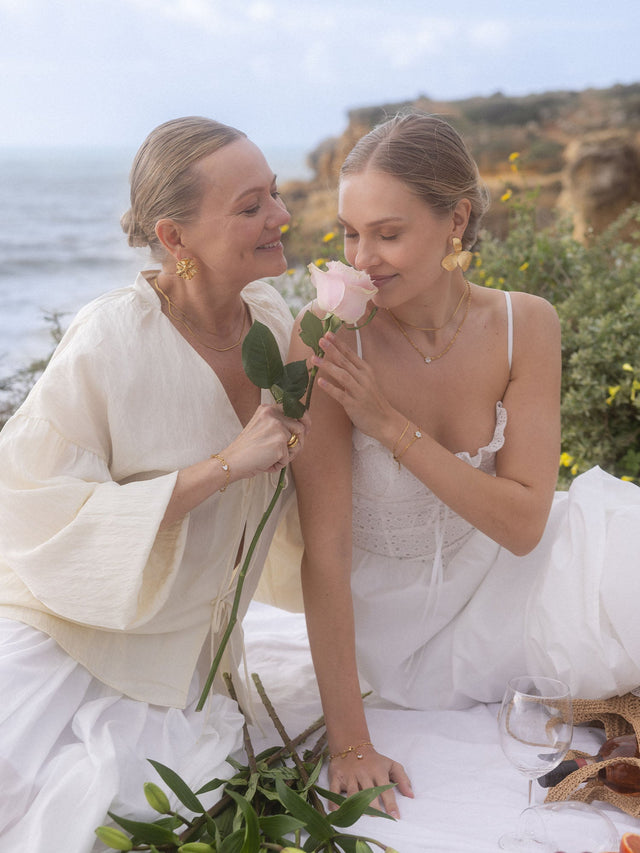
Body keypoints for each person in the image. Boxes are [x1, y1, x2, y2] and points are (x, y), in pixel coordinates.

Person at [288, 113, 640, 818]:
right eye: (350, 233)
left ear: (457, 218)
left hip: (514, 571)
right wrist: (351, 743)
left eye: (388, 234)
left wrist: (391, 427)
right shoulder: (325, 338)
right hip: (401, 629)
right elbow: (323, 555)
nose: (362, 259)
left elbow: (523, 525)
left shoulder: (525, 324)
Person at [0, 116, 309, 851]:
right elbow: (30, 504)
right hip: (77, 635)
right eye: (251, 205)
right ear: (174, 238)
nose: (283, 216)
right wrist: (224, 465)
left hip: (196, 656)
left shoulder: (274, 318)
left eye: (276, 193)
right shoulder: (110, 338)